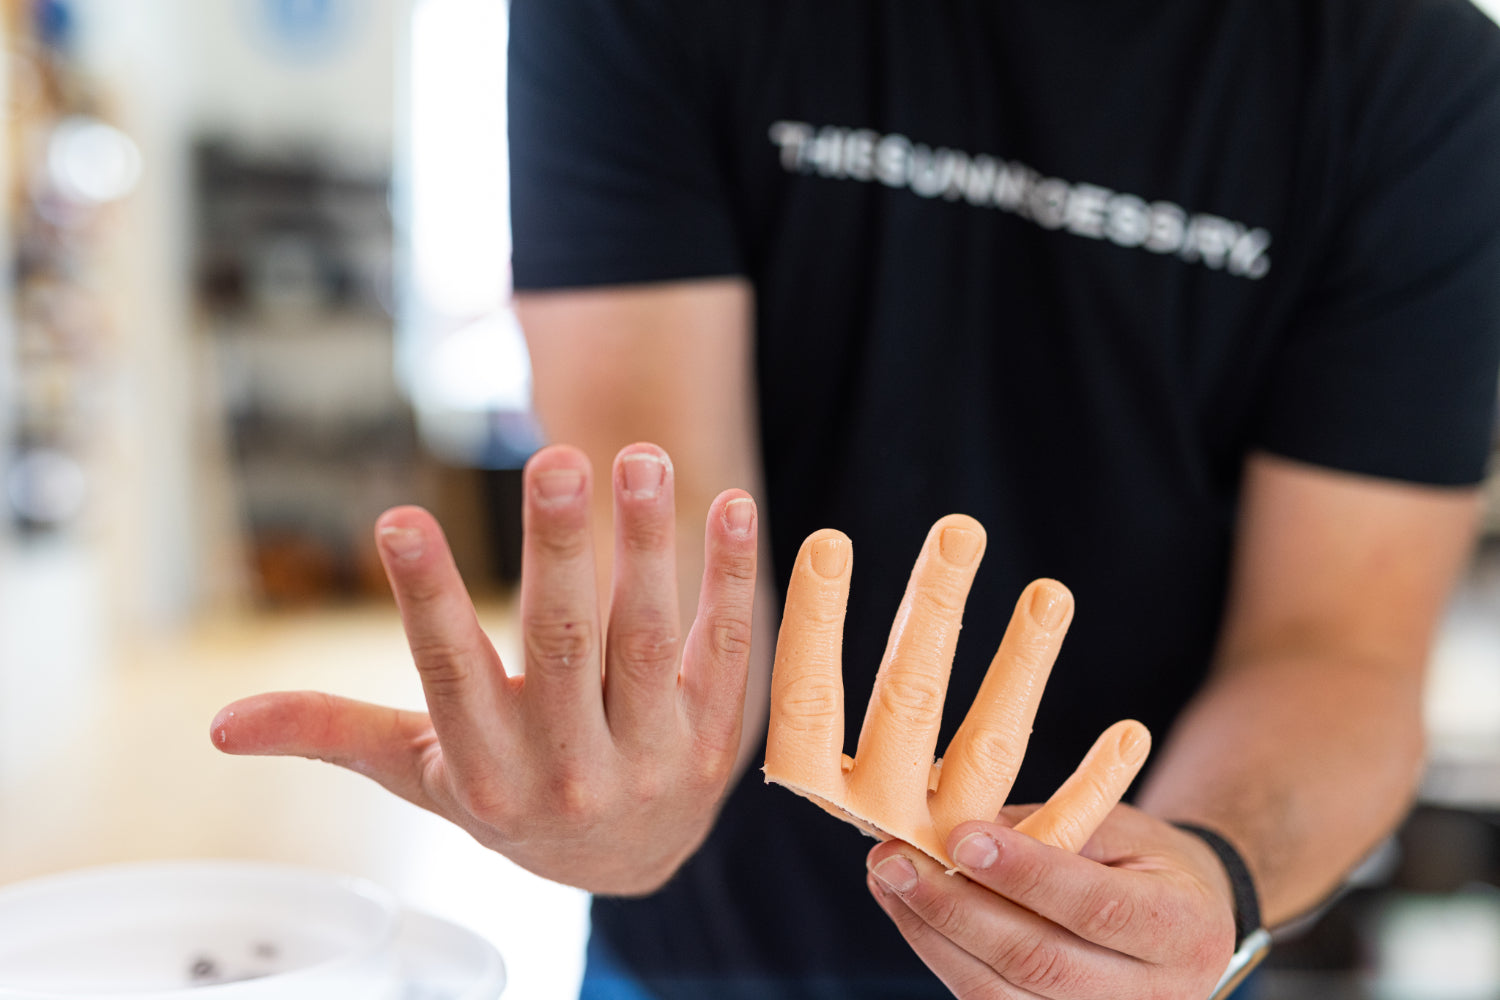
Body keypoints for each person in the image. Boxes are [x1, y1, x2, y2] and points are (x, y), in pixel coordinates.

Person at [213, 0, 1500, 997]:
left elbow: (1338, 650)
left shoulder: (1415, 81)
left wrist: (1207, 875)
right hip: (698, 958)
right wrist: (626, 776)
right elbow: (655, 508)